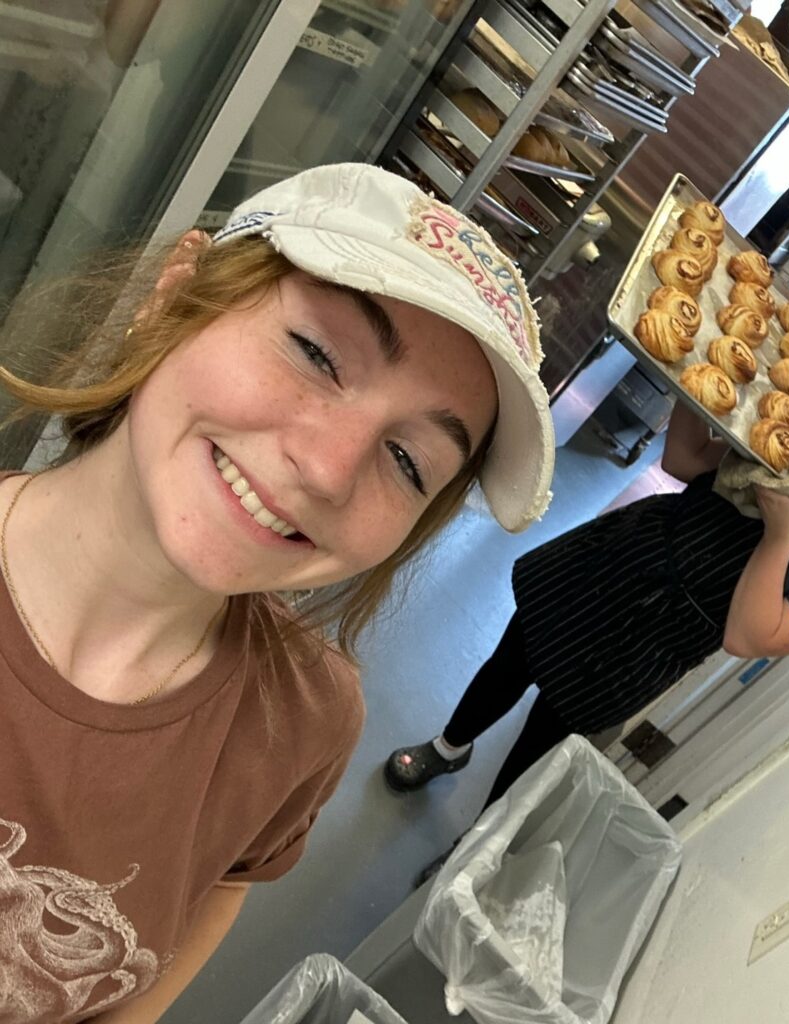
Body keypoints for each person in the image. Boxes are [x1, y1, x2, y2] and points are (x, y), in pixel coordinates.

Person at [0, 164, 554, 1024]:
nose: (328, 470)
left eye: (408, 462)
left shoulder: (302, 726)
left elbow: (214, 894)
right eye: (316, 353)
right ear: (176, 290)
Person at [386, 387, 789, 812]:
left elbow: (750, 635)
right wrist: (694, 383)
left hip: (657, 636)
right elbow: (685, 460)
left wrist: (781, 534)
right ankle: (448, 746)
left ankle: (473, 847)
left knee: (551, 726)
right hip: (620, 555)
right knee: (514, 655)